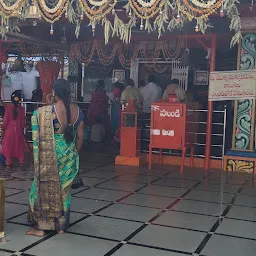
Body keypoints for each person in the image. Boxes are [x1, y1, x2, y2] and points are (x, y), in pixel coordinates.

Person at [26, 79, 84, 237]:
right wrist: (74, 153)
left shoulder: (45, 112)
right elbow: (80, 136)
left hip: (50, 157)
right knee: (64, 193)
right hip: (70, 157)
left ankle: (40, 228)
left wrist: (47, 104)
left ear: (54, 92)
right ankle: (60, 227)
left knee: (38, 190)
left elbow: (39, 124)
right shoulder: (77, 110)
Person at [2, 91, 25, 168]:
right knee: (20, 146)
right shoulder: (22, 110)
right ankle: (21, 162)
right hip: (19, 130)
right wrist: (21, 130)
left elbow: (5, 122)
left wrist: (3, 128)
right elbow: (23, 123)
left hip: (9, 131)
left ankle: (8, 162)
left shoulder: (8, 109)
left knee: (8, 146)